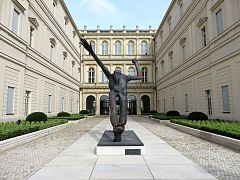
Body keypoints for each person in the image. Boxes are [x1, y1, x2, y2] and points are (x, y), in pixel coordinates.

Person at [80, 37, 143, 141]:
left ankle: (121, 127)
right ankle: (116, 127)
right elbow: (100, 64)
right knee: (113, 108)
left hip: (122, 94)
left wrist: (136, 64)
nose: (116, 75)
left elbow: (140, 77)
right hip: (113, 92)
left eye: (117, 74)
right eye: (115, 74)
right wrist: (91, 51)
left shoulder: (125, 77)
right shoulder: (111, 76)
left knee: (123, 109)